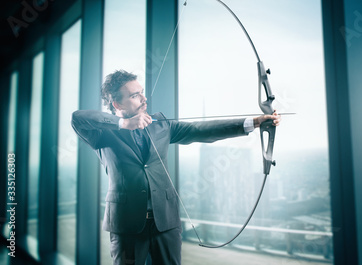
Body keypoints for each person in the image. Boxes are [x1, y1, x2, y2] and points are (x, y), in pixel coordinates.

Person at [71, 70, 281, 265]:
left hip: (165, 222)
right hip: (126, 225)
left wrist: (252, 123)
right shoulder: (101, 134)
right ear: (117, 104)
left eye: (142, 92)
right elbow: (78, 118)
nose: (144, 99)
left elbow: (200, 129)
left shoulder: (160, 123)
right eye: (135, 95)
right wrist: (122, 124)